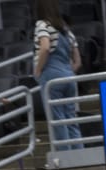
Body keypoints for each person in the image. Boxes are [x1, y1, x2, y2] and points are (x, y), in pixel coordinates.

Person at [32, 0, 82, 146]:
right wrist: (66, 72)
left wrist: (38, 70)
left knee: (58, 121)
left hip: (51, 76)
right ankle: (80, 155)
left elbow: (45, 47)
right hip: (69, 76)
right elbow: (78, 62)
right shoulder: (66, 29)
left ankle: (65, 157)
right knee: (71, 119)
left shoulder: (42, 25)